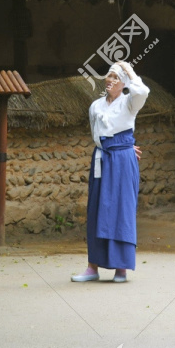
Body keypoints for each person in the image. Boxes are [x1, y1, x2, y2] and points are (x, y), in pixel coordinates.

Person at [72, 61, 149, 283]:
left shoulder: (129, 102)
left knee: (121, 209)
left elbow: (142, 90)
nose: (110, 80)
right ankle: (92, 267)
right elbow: (97, 134)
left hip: (122, 161)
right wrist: (116, 145)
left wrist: (129, 70)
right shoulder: (96, 105)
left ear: (123, 83)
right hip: (102, 158)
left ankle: (121, 268)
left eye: (116, 77)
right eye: (109, 76)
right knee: (96, 208)